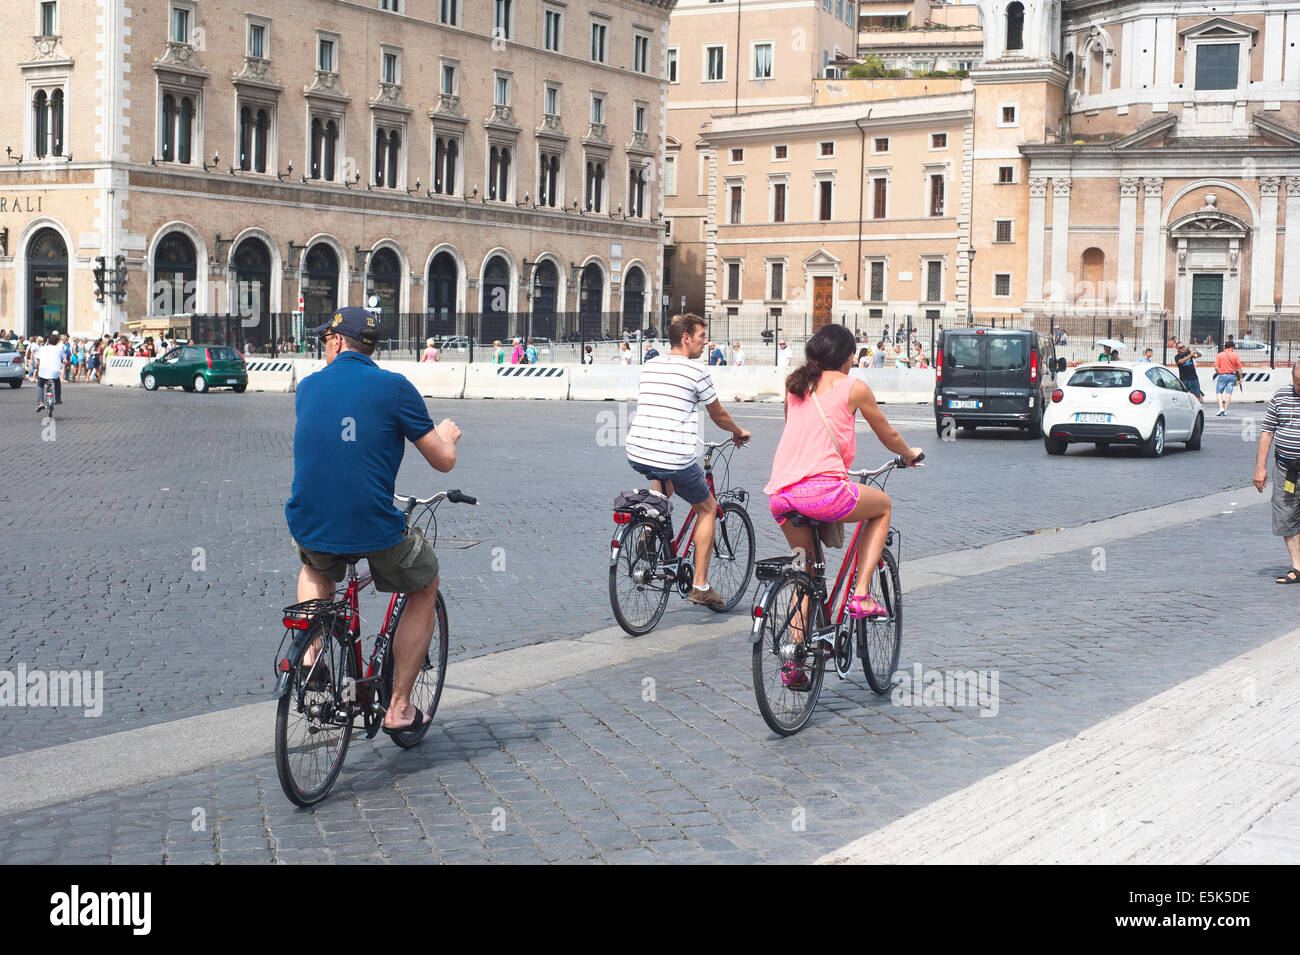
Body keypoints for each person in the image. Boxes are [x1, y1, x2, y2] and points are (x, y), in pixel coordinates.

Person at [285, 307, 462, 735]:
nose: (323, 347)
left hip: (311, 522)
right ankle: (399, 707)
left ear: (339, 341)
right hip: (371, 524)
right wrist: (448, 436)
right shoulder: (396, 388)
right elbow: (443, 462)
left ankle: (312, 658)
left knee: (314, 567)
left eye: (325, 339)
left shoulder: (307, 388)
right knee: (425, 582)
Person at [764, 324, 923, 687]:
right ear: (848, 357)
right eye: (853, 354)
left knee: (808, 573)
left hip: (782, 495)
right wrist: (909, 454)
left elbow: (800, 436)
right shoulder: (854, 387)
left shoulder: (795, 386)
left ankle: (794, 659)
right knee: (881, 506)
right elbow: (888, 435)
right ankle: (862, 594)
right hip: (824, 491)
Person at [624, 313, 751, 608]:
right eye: (701, 337)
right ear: (686, 338)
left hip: (638, 450)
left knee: (662, 477)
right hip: (673, 455)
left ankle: (647, 528)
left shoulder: (651, 364)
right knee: (706, 509)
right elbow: (718, 415)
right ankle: (700, 585)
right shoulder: (696, 372)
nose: (705, 343)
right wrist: (738, 431)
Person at [1254, 361, 1300, 583]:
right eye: (1298, 382)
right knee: (1286, 514)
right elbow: (1267, 433)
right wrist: (1260, 468)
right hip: (1286, 469)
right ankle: (1297, 568)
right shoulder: (1280, 397)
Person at [34, 331, 65, 410]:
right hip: (55, 371)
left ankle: (41, 402)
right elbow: (62, 359)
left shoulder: (42, 349)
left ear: (47, 341)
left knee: (40, 385)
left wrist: (37, 369)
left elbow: (37, 362)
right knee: (57, 382)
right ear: (57, 342)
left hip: (43, 371)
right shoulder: (59, 349)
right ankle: (58, 399)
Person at [1213, 339, 1243, 416]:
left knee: (1219, 392)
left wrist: (1219, 372)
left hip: (1222, 375)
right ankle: (1225, 410)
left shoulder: (1220, 355)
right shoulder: (1235, 355)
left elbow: (1216, 367)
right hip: (1232, 376)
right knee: (1228, 393)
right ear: (1232, 347)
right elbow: (1239, 369)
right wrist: (1240, 378)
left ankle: (1221, 408)